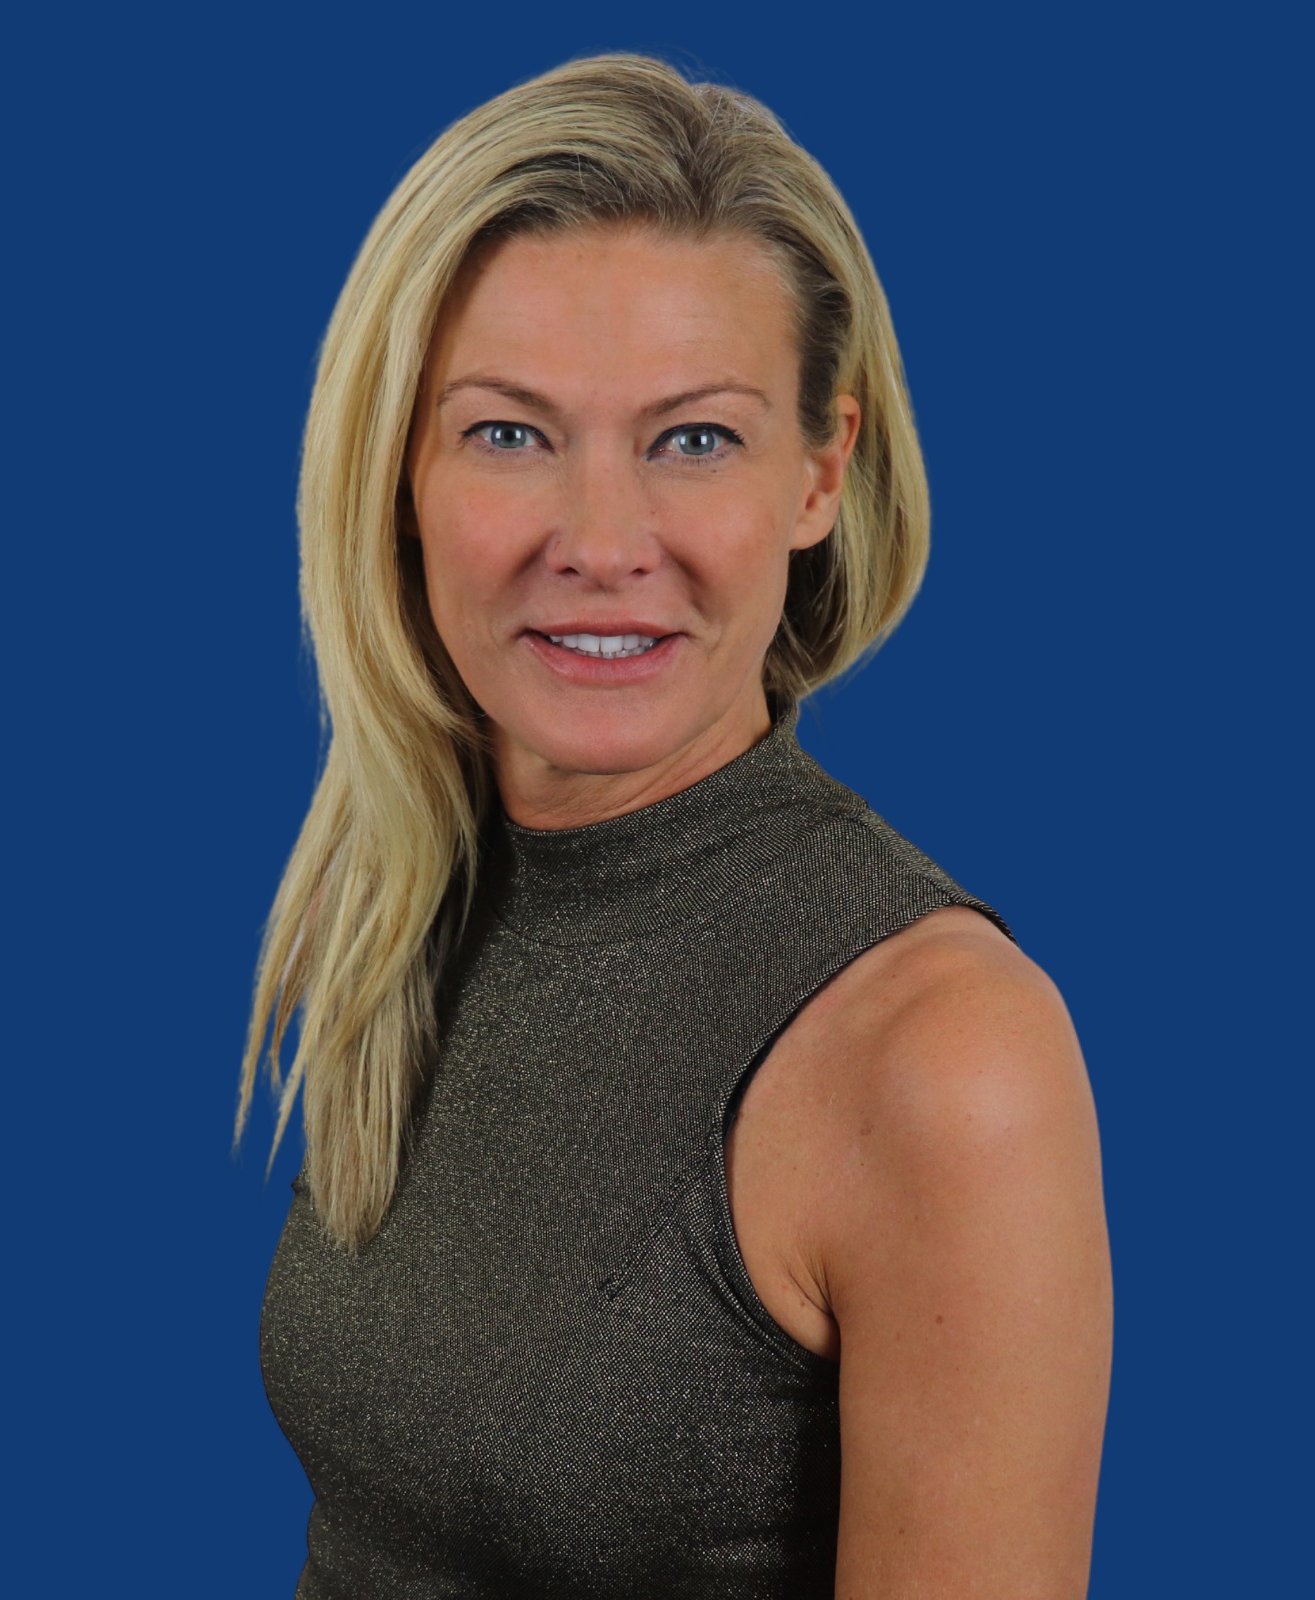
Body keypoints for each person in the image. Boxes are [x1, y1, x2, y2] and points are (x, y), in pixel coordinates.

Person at [235, 51, 1112, 1600]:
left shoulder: (942, 1056)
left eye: (693, 439)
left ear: (820, 473)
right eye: (509, 433)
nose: (599, 542)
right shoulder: (420, 884)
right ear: (403, 474)